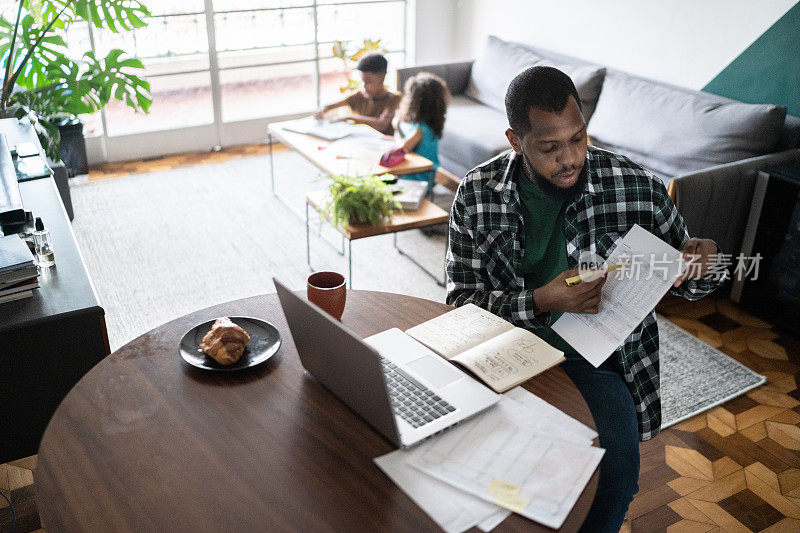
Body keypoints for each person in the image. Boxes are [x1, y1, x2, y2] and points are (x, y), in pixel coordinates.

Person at [446, 66, 724, 532]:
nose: (571, 158)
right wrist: (540, 299)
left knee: (616, 474)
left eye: (578, 138)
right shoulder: (478, 193)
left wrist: (704, 262)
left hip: (595, 361)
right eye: (551, 148)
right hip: (501, 348)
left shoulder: (637, 187)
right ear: (516, 141)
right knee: (478, 465)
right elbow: (459, 303)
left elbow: (691, 280)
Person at [314, 52, 401, 135]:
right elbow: (330, 107)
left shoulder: (394, 99)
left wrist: (350, 117)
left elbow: (381, 125)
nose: (365, 86)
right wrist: (322, 110)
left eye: (369, 81)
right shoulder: (359, 96)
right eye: (363, 81)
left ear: (382, 77)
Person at [392, 72, 450, 190]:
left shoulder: (420, 129)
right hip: (425, 176)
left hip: (417, 180)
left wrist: (396, 135)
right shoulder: (430, 125)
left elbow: (404, 148)